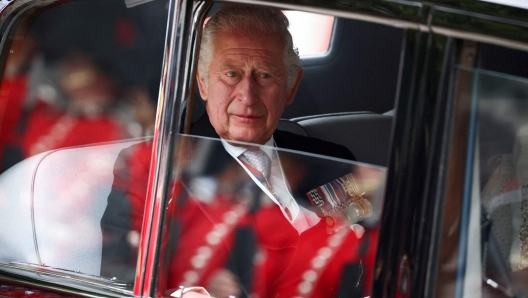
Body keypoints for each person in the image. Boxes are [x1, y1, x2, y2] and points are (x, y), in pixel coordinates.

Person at [101, 4, 378, 298]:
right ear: (203, 82)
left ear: (291, 86)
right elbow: (119, 279)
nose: (247, 95)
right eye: (231, 73)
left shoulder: (333, 161)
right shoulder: (155, 168)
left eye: (265, 75)